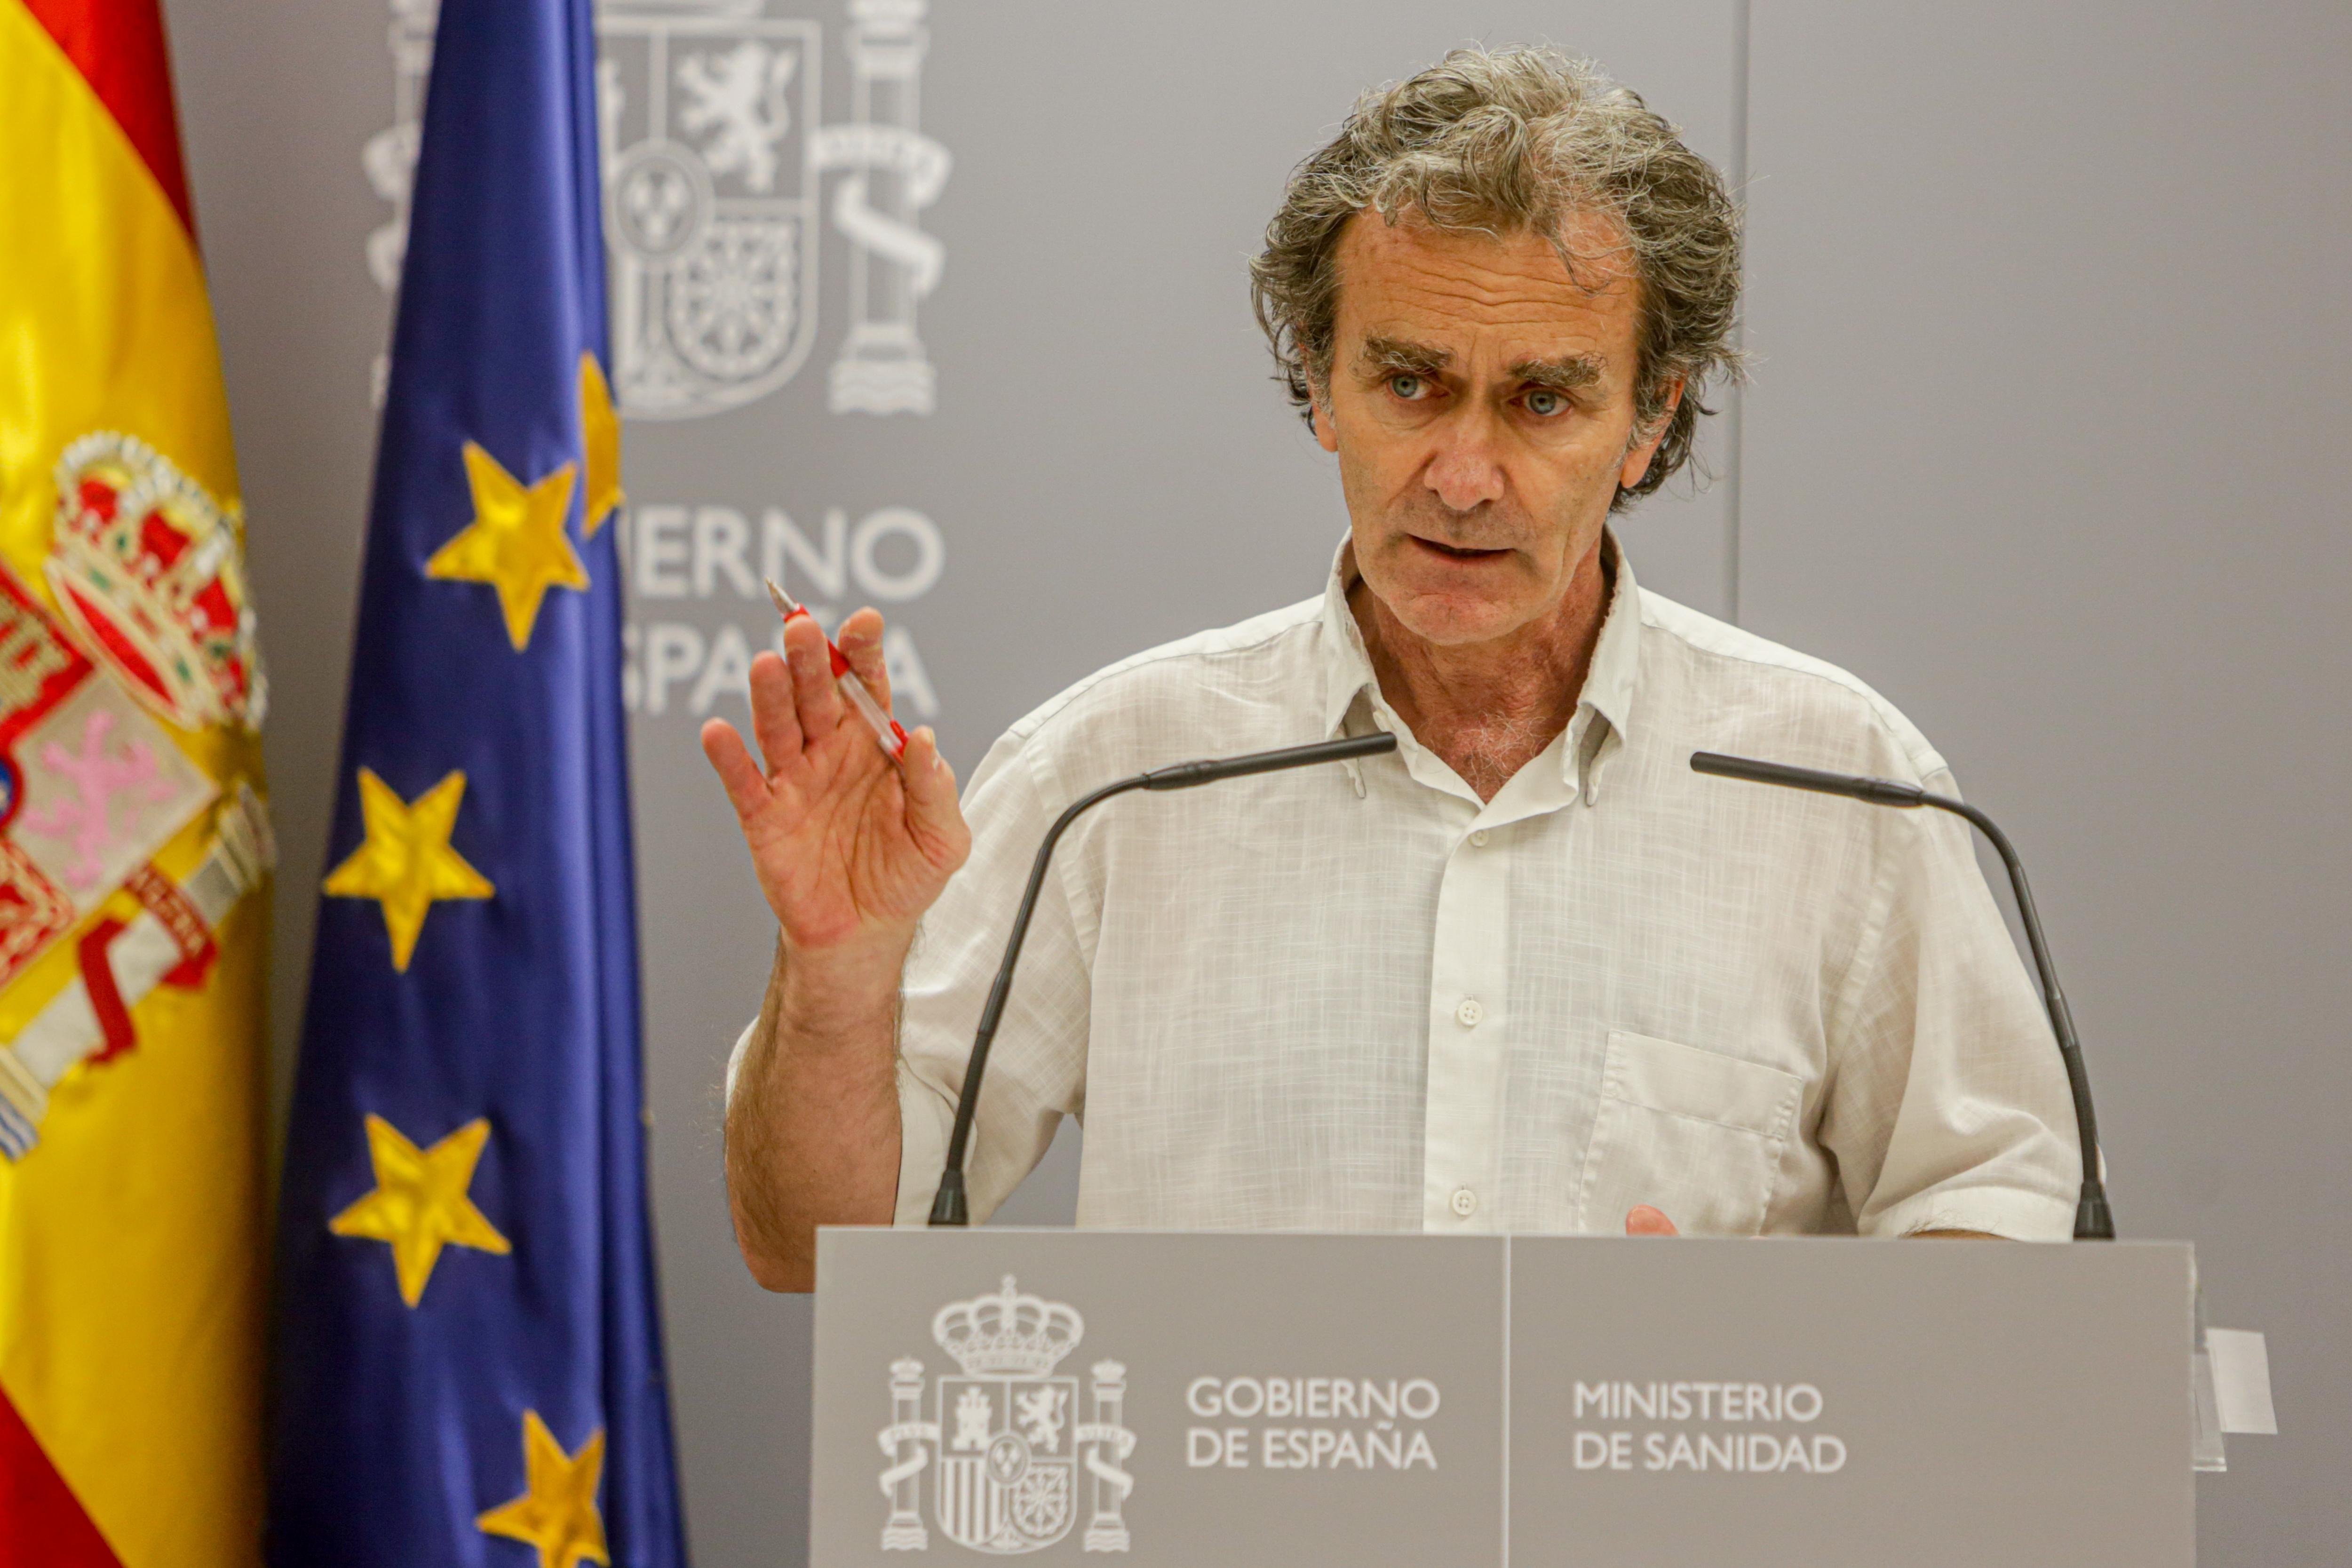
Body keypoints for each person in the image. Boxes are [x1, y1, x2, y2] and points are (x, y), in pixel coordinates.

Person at [703, 47, 2079, 1292]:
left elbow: (1999, 1213)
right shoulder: (1108, 776)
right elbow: (817, 1249)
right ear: (1319, 380)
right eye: (1410, 383)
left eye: (1545, 398)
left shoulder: (1841, 784)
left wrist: (1748, 1361)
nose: (1465, 478)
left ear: (1652, 419)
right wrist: (835, 968)